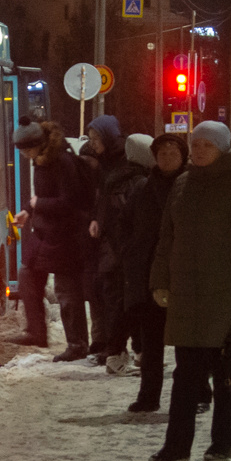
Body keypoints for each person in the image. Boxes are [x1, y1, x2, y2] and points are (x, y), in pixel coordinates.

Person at [148, 120, 231, 461]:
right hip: (187, 294)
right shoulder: (183, 184)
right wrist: (160, 280)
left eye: (207, 145)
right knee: (185, 373)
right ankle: (176, 445)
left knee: (225, 372)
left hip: (226, 296)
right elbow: (166, 237)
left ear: (223, 147)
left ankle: (222, 441)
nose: (199, 150)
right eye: (195, 144)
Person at [16, 121, 94, 359]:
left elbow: (69, 201)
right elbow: (41, 195)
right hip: (45, 233)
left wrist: (38, 205)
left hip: (66, 234)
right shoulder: (41, 160)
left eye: (25, 150)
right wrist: (28, 210)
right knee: (27, 274)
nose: (23, 155)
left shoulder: (62, 162)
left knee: (67, 289)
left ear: (38, 145)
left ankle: (78, 344)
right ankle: (36, 332)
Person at [122, 132, 181, 409]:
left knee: (187, 341)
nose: (167, 158)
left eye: (173, 152)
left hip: (183, 273)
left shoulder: (191, 185)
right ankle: (149, 396)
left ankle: (197, 393)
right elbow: (125, 224)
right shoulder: (143, 187)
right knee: (151, 341)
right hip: (148, 272)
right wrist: (132, 255)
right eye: (162, 153)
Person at [85, 115, 143, 369]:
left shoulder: (125, 164)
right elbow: (104, 200)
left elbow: (118, 203)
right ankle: (115, 350)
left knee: (119, 299)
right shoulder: (107, 162)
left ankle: (120, 350)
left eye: (96, 138)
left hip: (120, 243)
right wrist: (98, 219)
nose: (93, 143)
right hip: (111, 241)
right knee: (113, 297)